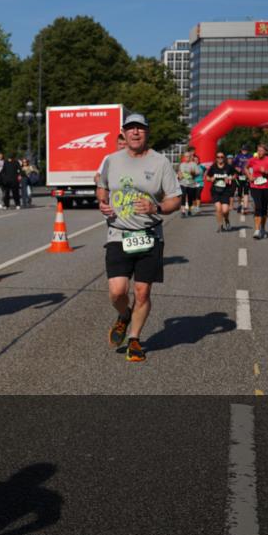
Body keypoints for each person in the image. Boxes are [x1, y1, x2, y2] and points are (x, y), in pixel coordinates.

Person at [96, 113, 181, 363]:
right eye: (130, 128)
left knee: (142, 292)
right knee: (117, 292)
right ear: (123, 133)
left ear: (147, 132)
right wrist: (102, 202)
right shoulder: (112, 160)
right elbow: (102, 187)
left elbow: (175, 199)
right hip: (118, 232)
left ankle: (134, 339)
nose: (135, 132)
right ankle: (124, 315)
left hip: (149, 234)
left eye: (140, 128)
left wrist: (157, 207)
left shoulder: (160, 162)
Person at [246, 142, 268, 239]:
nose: (259, 152)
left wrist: (267, 172)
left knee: (264, 208)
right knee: (258, 207)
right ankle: (257, 230)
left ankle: (263, 228)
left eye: (261, 150)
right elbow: (246, 168)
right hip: (255, 187)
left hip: (267, 187)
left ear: (266, 152)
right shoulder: (252, 160)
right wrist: (249, 176)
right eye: (258, 150)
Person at [205, 151, 236, 232]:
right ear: (216, 158)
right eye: (218, 157)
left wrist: (229, 178)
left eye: (221, 157)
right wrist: (211, 179)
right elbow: (207, 177)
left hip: (226, 191)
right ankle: (220, 225)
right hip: (215, 191)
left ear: (224, 158)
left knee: (225, 210)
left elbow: (234, 175)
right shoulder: (213, 167)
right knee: (218, 209)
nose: (220, 158)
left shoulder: (228, 167)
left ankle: (226, 219)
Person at [232, 144, 252, 214]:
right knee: (239, 192)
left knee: (246, 192)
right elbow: (233, 164)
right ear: (241, 150)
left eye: (245, 150)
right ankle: (240, 205)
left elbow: (253, 165)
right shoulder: (238, 156)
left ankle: (245, 207)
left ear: (247, 150)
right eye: (243, 150)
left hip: (247, 175)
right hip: (239, 175)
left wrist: (250, 172)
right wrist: (237, 168)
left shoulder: (250, 156)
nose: (244, 151)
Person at [177, 152, 199, 218]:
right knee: (183, 195)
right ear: (184, 157)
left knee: (190, 198)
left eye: (188, 156)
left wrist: (193, 173)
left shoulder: (194, 164)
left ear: (190, 157)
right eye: (186, 156)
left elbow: (198, 173)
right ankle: (183, 211)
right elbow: (179, 172)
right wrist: (179, 176)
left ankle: (189, 210)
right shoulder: (182, 164)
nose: (187, 158)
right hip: (182, 183)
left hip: (191, 184)